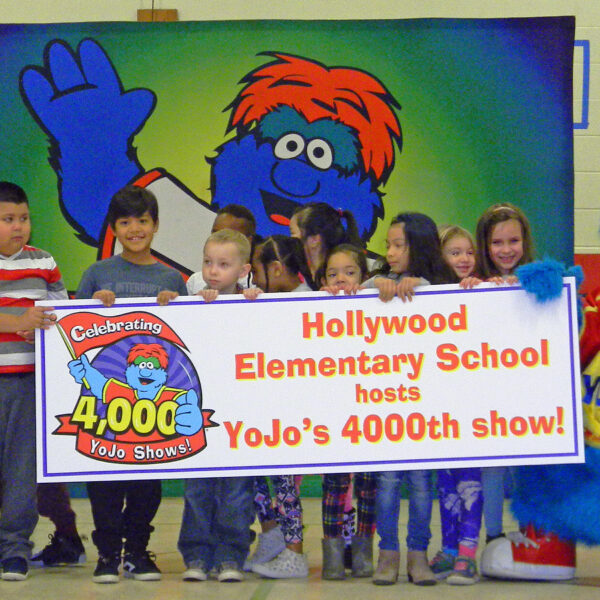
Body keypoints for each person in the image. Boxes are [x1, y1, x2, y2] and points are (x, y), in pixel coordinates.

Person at [74, 184, 188, 583]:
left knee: (146, 483)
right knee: (104, 480)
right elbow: (73, 330)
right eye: (125, 222)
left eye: (142, 220)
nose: (134, 229)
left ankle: (138, 551)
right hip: (105, 404)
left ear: (156, 225)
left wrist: (177, 306)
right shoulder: (97, 274)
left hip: (153, 407)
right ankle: (107, 554)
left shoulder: (171, 277)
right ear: (113, 228)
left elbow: (188, 339)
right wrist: (91, 306)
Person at [363, 212, 456, 586]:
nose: (390, 252)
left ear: (419, 247)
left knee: (420, 484)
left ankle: (418, 552)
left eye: (399, 245)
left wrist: (424, 286)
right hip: (385, 403)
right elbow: (354, 291)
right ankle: (387, 552)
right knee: (386, 483)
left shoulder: (440, 283)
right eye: (388, 245)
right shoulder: (380, 281)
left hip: (424, 406)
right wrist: (378, 285)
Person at [178, 228, 256, 583]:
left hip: (240, 411)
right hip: (198, 409)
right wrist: (191, 305)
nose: (213, 271)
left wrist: (255, 301)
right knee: (197, 487)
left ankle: (231, 556)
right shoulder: (194, 300)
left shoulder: (254, 300)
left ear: (243, 270)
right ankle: (196, 554)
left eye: (223, 265)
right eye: (208, 262)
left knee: (236, 491)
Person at [0, 181, 67, 580]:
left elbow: (63, 312)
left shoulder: (43, 262)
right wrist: (18, 321)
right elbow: (19, 318)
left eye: (23, 218)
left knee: (22, 471)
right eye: (8, 219)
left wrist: (42, 326)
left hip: (28, 383)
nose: (18, 226)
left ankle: (14, 549)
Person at [243, 236, 312, 579]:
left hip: (295, 412)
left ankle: (294, 552)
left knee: (285, 484)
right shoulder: (269, 301)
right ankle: (272, 534)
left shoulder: (309, 302)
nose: (254, 279)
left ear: (276, 268)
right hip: (267, 406)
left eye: (257, 271)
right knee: (258, 474)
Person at [471, 203, 534, 547]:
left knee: (527, 467)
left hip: (528, 392)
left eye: (514, 241)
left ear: (525, 241)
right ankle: (493, 536)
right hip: (489, 393)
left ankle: (531, 533)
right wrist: (474, 290)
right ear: (484, 245)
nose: (506, 250)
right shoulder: (473, 284)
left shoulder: (538, 281)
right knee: (492, 466)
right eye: (497, 242)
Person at [428, 225, 483, 584]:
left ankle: (467, 553)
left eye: (469, 252)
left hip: (473, 405)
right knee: (446, 482)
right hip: (439, 404)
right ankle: (449, 549)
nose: (464, 259)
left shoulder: (482, 289)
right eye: (455, 252)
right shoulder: (428, 293)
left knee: (470, 481)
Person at [318, 244, 377, 580]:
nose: (340, 279)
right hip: (333, 411)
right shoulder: (317, 306)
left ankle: (364, 553)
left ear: (364, 277)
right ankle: (333, 555)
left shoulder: (374, 303)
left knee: (368, 482)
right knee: (334, 482)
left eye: (349, 273)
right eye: (332, 274)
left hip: (368, 408)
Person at [187, 203, 258, 292]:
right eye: (215, 233)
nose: (220, 238)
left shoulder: (256, 286)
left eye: (230, 235)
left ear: (249, 240)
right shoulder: (195, 281)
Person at [290, 202, 363, 285]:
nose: (290, 239)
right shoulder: (296, 278)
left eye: (292, 233)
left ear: (314, 240)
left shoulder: (366, 269)